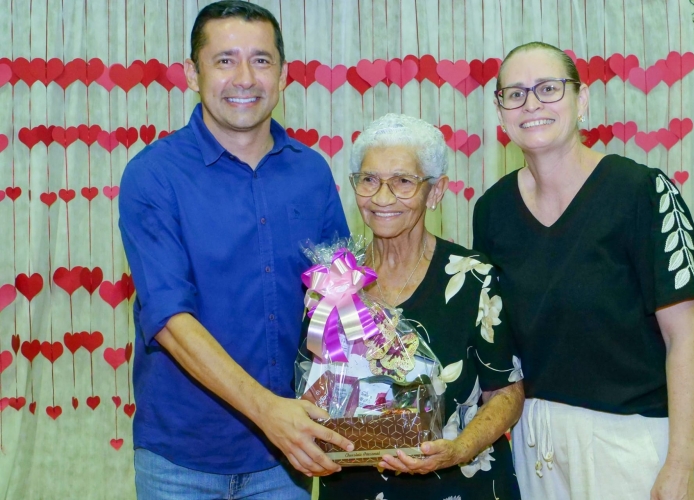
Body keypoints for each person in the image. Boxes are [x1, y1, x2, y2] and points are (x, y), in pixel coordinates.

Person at [118, 2, 353, 498]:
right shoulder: (153, 175)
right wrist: (270, 413)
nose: (244, 78)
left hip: (286, 458)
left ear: (283, 75)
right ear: (192, 73)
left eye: (261, 60)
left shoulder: (311, 173)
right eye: (225, 60)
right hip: (181, 461)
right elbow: (169, 320)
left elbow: (340, 303)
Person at [473, 42, 694, 500]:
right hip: (536, 441)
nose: (531, 104)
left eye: (548, 88)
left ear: (581, 101)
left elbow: (684, 338)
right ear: (500, 113)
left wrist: (680, 462)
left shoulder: (642, 192)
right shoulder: (492, 211)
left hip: (634, 439)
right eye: (515, 94)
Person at [315, 113, 524, 500]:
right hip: (355, 486)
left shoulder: (473, 278)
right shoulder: (334, 280)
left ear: (436, 191)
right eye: (369, 180)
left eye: (403, 182)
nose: (382, 198)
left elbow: (507, 394)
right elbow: (310, 386)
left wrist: (458, 449)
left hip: (457, 483)